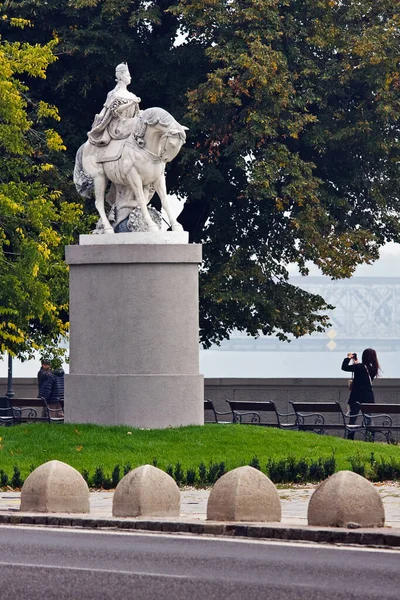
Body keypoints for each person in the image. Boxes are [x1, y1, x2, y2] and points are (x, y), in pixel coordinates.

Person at [88, 62, 141, 147]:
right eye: (128, 75)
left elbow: (136, 114)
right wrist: (131, 103)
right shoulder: (114, 94)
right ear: (121, 76)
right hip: (117, 126)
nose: (130, 77)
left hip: (129, 123)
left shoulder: (132, 96)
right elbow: (114, 111)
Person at [341, 348, 380, 440]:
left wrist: (348, 358)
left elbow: (344, 367)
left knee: (353, 419)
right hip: (368, 398)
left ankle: (350, 439)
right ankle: (370, 439)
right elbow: (363, 374)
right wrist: (356, 363)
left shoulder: (359, 367)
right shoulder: (373, 369)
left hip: (356, 397)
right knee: (368, 420)